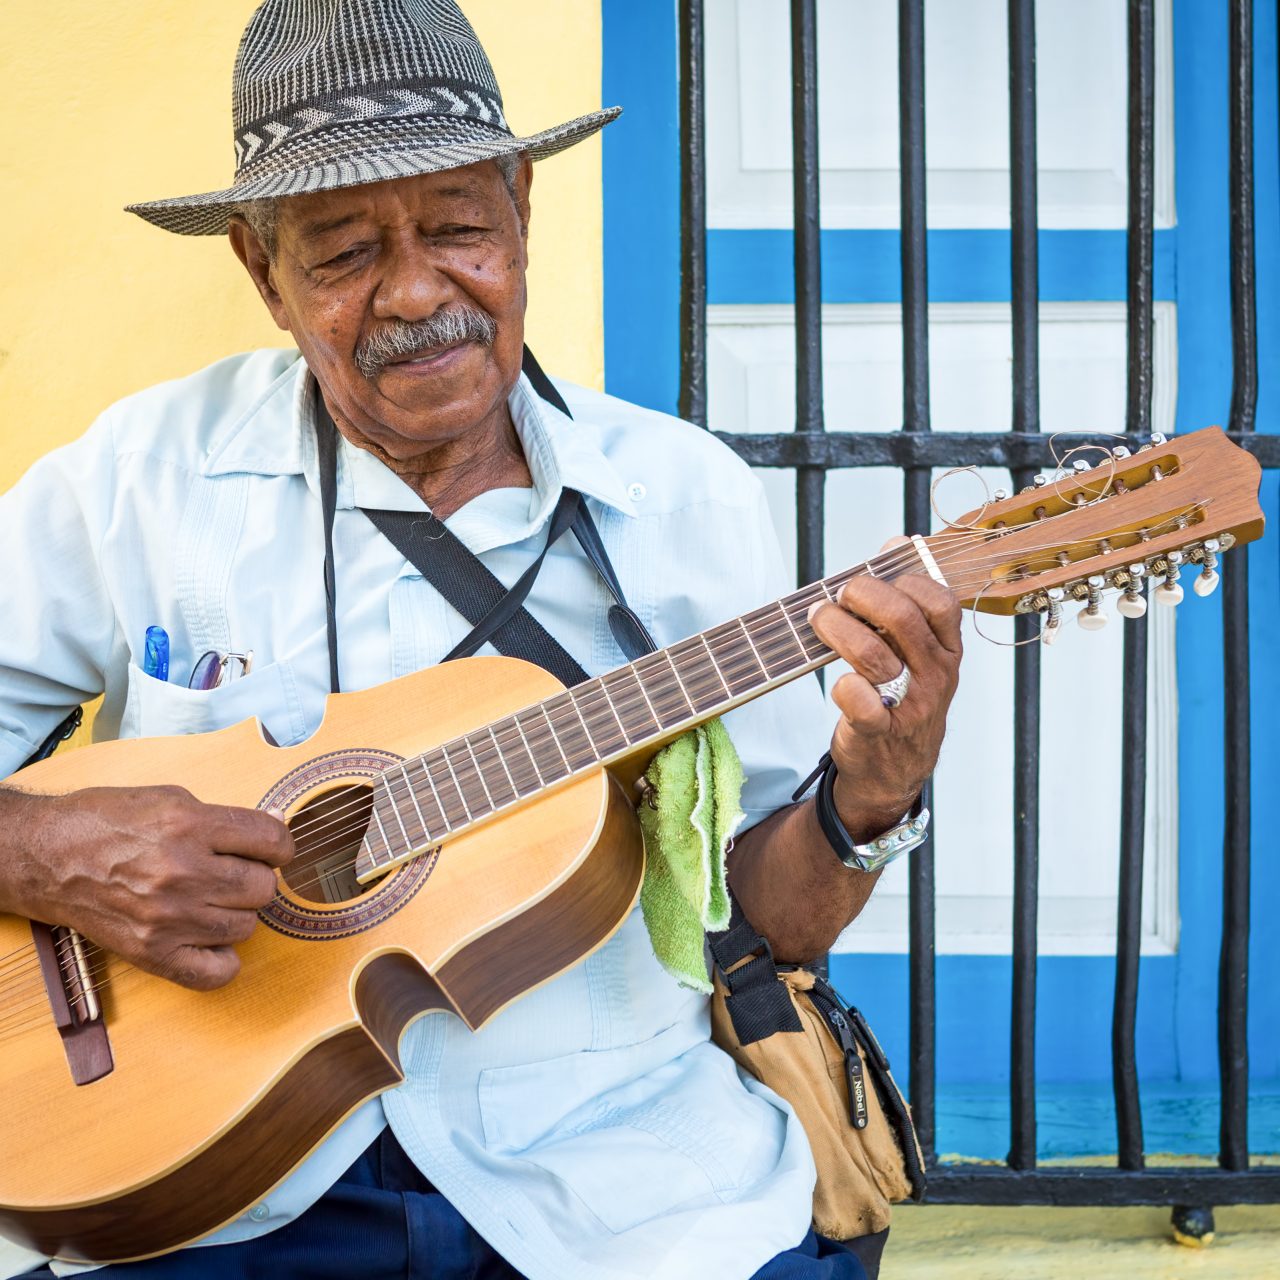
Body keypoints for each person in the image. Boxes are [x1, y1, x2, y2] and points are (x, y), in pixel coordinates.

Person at [0, 3, 961, 1277]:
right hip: (214, 1188)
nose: (412, 292)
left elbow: (771, 926)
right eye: (341, 252)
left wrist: (875, 788)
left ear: (520, 211)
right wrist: (46, 847)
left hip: (612, 1175)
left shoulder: (684, 496)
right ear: (257, 266)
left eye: (455, 227)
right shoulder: (140, 476)